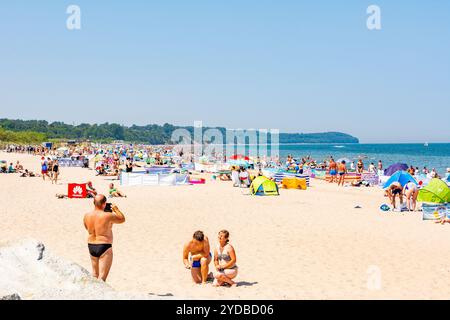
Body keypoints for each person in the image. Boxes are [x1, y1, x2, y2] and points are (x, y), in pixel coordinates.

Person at [83, 195, 126, 281]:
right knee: (102, 279)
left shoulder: (86, 215)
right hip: (104, 246)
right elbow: (122, 219)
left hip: (91, 245)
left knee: (94, 275)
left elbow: (87, 228)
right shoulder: (108, 215)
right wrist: (116, 209)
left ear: (94, 203)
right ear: (104, 204)